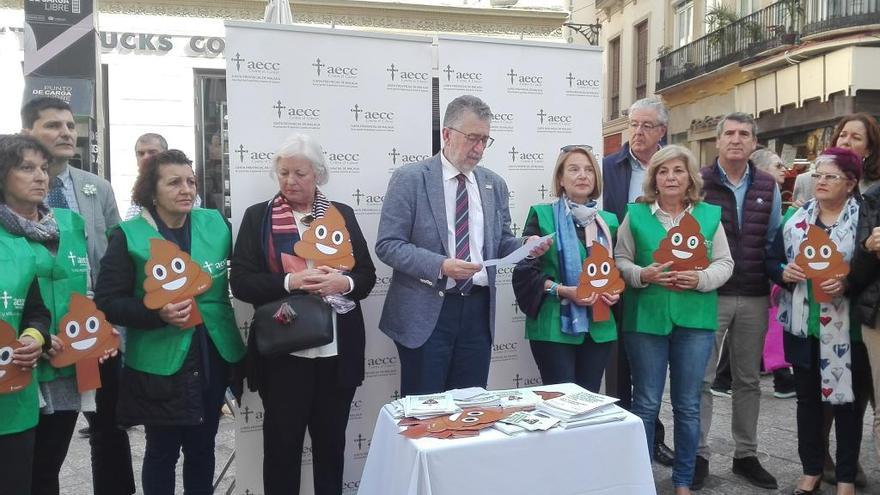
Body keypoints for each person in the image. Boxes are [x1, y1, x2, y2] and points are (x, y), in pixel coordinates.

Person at [375, 94, 550, 396]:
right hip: (427, 311)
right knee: (426, 415)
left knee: (471, 412)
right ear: (447, 134)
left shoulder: (493, 183)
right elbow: (388, 245)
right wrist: (441, 265)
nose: (479, 148)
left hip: (477, 313)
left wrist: (525, 245)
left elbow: (501, 241)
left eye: (485, 140)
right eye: (472, 138)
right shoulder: (411, 179)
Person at [230, 133, 376, 495]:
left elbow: (367, 277)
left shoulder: (342, 214)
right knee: (281, 450)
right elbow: (242, 283)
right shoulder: (258, 218)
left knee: (331, 448)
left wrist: (342, 283)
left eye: (299, 174)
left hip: (336, 355)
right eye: (283, 173)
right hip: (284, 355)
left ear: (318, 176)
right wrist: (290, 281)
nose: (290, 181)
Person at [94, 149, 246, 495]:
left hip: (212, 353)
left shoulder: (217, 225)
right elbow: (107, 302)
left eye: (191, 181)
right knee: (162, 451)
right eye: (174, 182)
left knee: (202, 447)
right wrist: (155, 314)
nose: (186, 189)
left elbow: (246, 274)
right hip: (159, 364)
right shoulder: (128, 235)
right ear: (152, 190)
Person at [21, 96, 132, 495]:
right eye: (53, 125)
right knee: (36, 443)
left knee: (108, 427)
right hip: (33, 335)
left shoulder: (96, 187)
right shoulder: (13, 195)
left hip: (93, 332)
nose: (66, 132)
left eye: (70, 125)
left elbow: (116, 260)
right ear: (27, 133)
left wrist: (112, 326)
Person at [614, 145, 733, 494]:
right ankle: (641, 480)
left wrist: (701, 279)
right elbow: (620, 259)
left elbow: (725, 263)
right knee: (646, 402)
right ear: (654, 178)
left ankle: (683, 481)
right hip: (646, 318)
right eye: (663, 171)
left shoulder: (709, 216)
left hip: (695, 319)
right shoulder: (635, 215)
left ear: (689, 177)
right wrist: (641, 274)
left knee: (688, 403)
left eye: (678, 171)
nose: (670, 177)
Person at [769, 147, 867, 495]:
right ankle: (811, 470)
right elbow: (773, 260)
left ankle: (844, 478)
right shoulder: (796, 219)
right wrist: (784, 272)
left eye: (831, 177)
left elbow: (872, 271)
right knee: (808, 403)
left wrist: (847, 282)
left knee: (847, 406)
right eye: (819, 175)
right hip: (803, 324)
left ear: (851, 183)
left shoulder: (866, 220)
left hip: (848, 328)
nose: (821, 182)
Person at [696, 112, 782, 490]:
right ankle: (697, 455)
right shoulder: (699, 181)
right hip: (709, 296)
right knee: (701, 379)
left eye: (744, 134)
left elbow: (774, 240)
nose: (736, 139)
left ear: (754, 143)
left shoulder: (768, 184)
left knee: (748, 380)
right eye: (729, 133)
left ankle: (746, 455)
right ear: (717, 141)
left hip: (753, 295)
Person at [602, 96, 675, 465]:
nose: (637, 132)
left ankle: (652, 438)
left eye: (646, 126)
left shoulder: (673, 168)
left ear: (662, 130)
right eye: (633, 124)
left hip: (659, 285)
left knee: (650, 373)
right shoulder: (608, 168)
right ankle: (619, 440)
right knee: (618, 369)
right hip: (615, 280)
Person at [512, 145, 619, 392]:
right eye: (573, 169)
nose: (582, 175)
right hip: (553, 328)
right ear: (560, 179)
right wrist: (563, 291)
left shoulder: (610, 221)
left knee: (588, 401)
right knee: (560, 403)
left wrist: (615, 291)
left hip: (599, 327)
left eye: (588, 170)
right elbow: (526, 272)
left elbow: (617, 270)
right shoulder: (542, 215)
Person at [711, 148, 796, 400]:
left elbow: (773, 234)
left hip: (756, 281)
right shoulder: (713, 184)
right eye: (777, 165)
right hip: (723, 285)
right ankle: (726, 379)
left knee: (748, 370)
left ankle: (730, 379)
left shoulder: (772, 191)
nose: (784, 170)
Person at [0, 134, 54, 495]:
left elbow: (37, 312)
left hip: (14, 402)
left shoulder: (22, 243)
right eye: (26, 168)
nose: (41, 177)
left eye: (44, 169)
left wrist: (33, 339)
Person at [792, 113, 880, 204]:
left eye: (856, 138)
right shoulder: (806, 181)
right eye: (842, 135)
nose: (846, 142)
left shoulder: (876, 188)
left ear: (869, 150)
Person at [125, 133, 201, 220]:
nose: (145, 157)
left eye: (152, 152)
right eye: (141, 154)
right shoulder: (140, 189)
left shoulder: (185, 193)